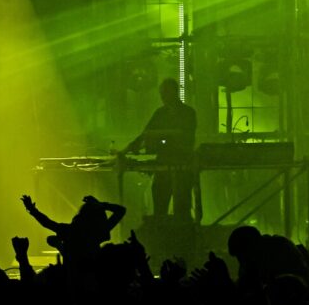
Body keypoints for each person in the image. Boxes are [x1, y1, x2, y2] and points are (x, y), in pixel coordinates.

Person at [123, 78, 197, 218]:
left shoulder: (188, 113)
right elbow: (145, 135)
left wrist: (163, 136)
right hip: (164, 166)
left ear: (175, 92)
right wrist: (127, 149)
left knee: (182, 210)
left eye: (166, 93)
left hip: (182, 166)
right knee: (160, 207)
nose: (163, 96)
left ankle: (182, 236)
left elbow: (185, 138)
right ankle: (164, 232)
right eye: (162, 93)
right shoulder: (160, 113)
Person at [20, 194, 126, 267]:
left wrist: (32, 210)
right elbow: (121, 210)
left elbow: (47, 223)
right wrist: (101, 205)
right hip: (94, 278)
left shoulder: (71, 231)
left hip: (72, 280)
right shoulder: (98, 232)